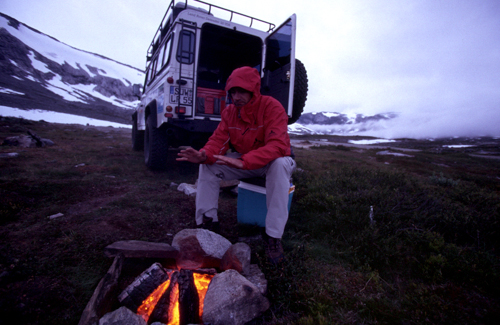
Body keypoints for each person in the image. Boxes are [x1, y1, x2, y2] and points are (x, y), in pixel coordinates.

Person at [176, 66, 296, 263]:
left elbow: (278, 146)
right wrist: (204, 155)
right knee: (208, 166)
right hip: (245, 160)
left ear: (253, 90)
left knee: (280, 165)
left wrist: (244, 161)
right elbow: (218, 140)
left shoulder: (272, 107)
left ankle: (273, 236)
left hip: (272, 159)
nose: (236, 96)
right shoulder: (230, 112)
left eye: (241, 91)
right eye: (232, 91)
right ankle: (208, 223)